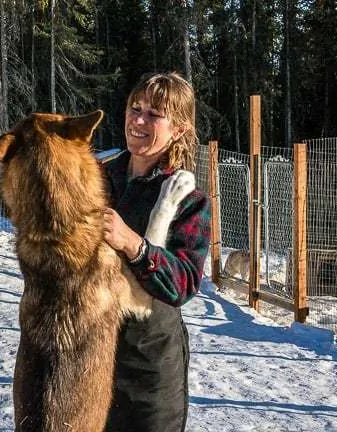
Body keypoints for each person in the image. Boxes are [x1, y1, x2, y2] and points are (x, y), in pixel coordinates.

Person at [102, 72, 212, 431]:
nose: (138, 120)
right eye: (135, 109)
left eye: (154, 114)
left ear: (178, 129)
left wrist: (132, 243)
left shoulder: (189, 199)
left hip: (148, 365)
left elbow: (182, 284)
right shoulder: (99, 177)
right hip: (89, 353)